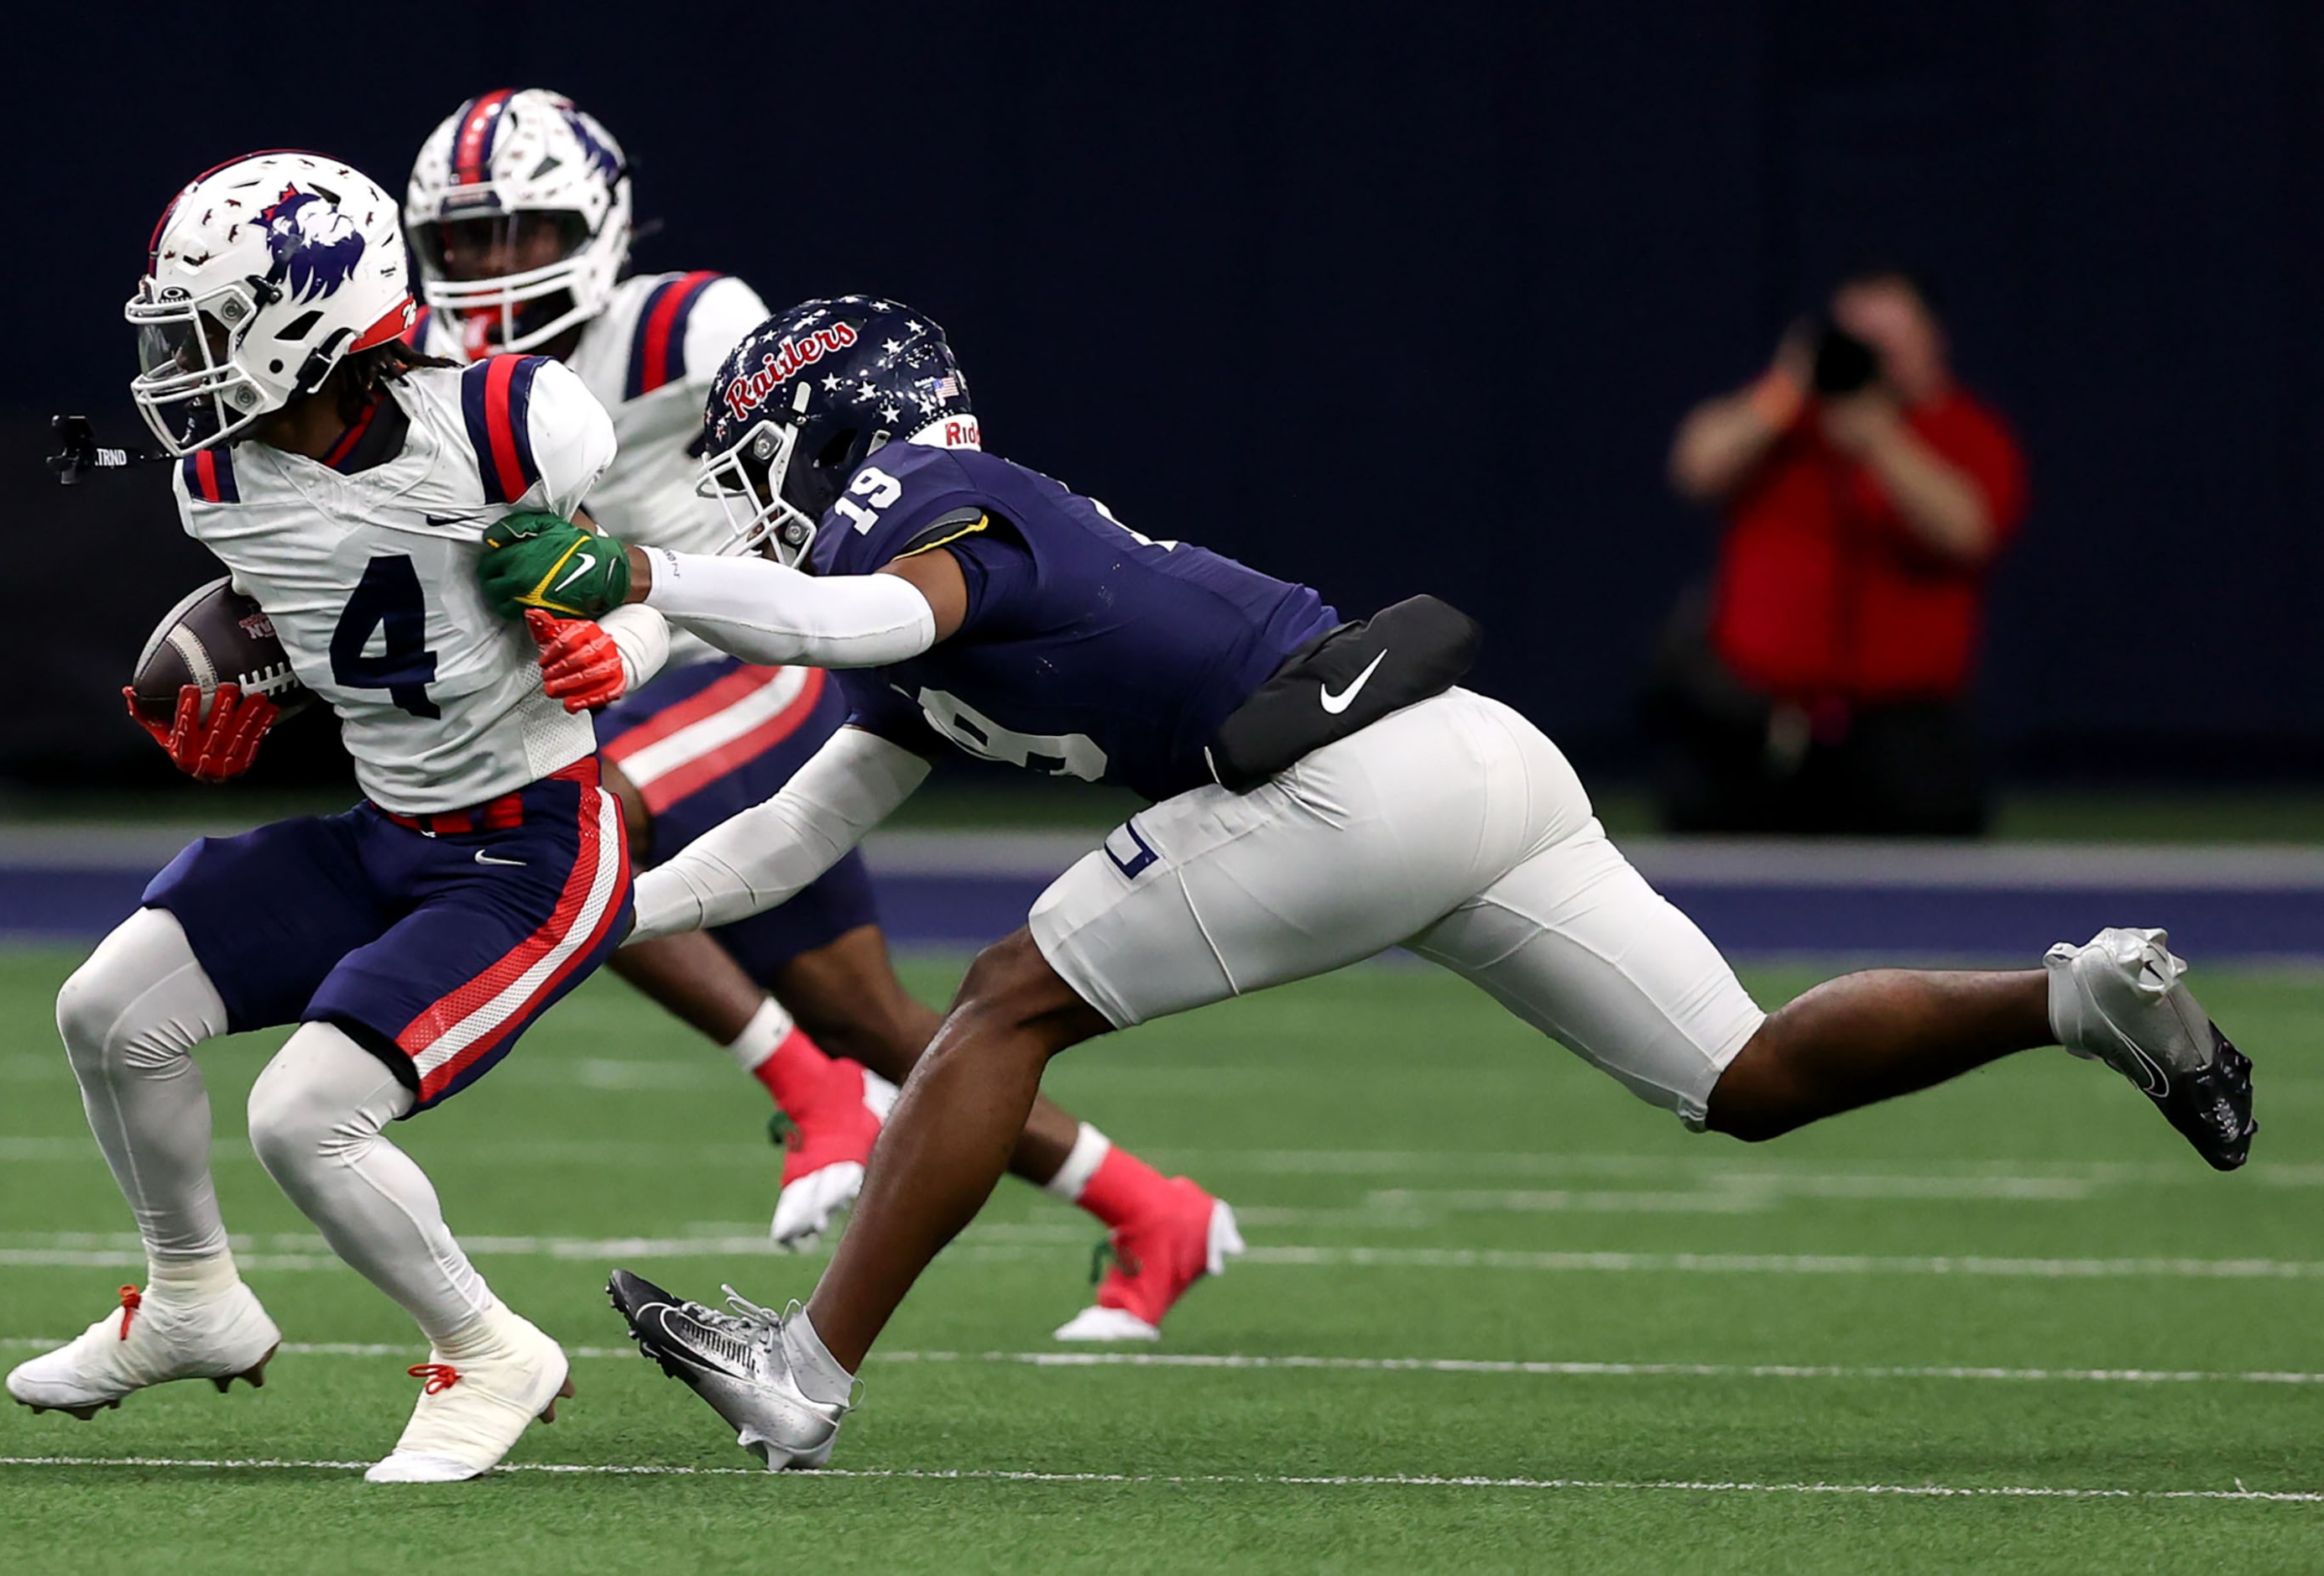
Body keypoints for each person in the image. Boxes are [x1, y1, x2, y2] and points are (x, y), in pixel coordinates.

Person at [475, 296, 2253, 1470]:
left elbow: (850, 616)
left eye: (747, 456)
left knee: (1008, 999)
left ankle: (806, 1373)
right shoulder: (900, 610)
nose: (736, 494)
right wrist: (600, 924)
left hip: (1351, 777)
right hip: (1470, 761)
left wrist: (642, 574)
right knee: (1742, 1077)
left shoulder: (924, 504)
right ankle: (2078, 996)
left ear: (824, 424)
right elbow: (800, 829)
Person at [401, 89, 1239, 1339]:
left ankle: (810, 1089)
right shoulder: (434, 369)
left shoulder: (693, 322)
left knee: (557, 830)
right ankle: (1151, 1208)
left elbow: (816, 466)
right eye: (469, 238)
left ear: (599, 221)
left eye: (524, 229)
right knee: (875, 1013)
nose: (495, 262)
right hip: (640, 675)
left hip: (763, 658)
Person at [4, 152, 667, 1482]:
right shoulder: (220, 482)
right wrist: (255, 686)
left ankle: (487, 1348)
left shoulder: (507, 420)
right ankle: (192, 1297)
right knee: (109, 1010)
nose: (179, 360)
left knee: (306, 1113)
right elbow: (357, 627)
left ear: (307, 318)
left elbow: (634, 581)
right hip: (389, 830)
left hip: (533, 843)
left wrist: (625, 645)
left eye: (207, 328)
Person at [1658, 265, 2027, 834]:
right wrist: (1785, 388)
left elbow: (1967, 531)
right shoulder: (1781, 422)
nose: (1871, 356)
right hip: (1758, 730)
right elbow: (1697, 466)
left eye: (1888, 341)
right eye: (1856, 339)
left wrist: (1880, 438)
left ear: (1932, 339)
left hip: (1902, 738)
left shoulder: (1965, 430)